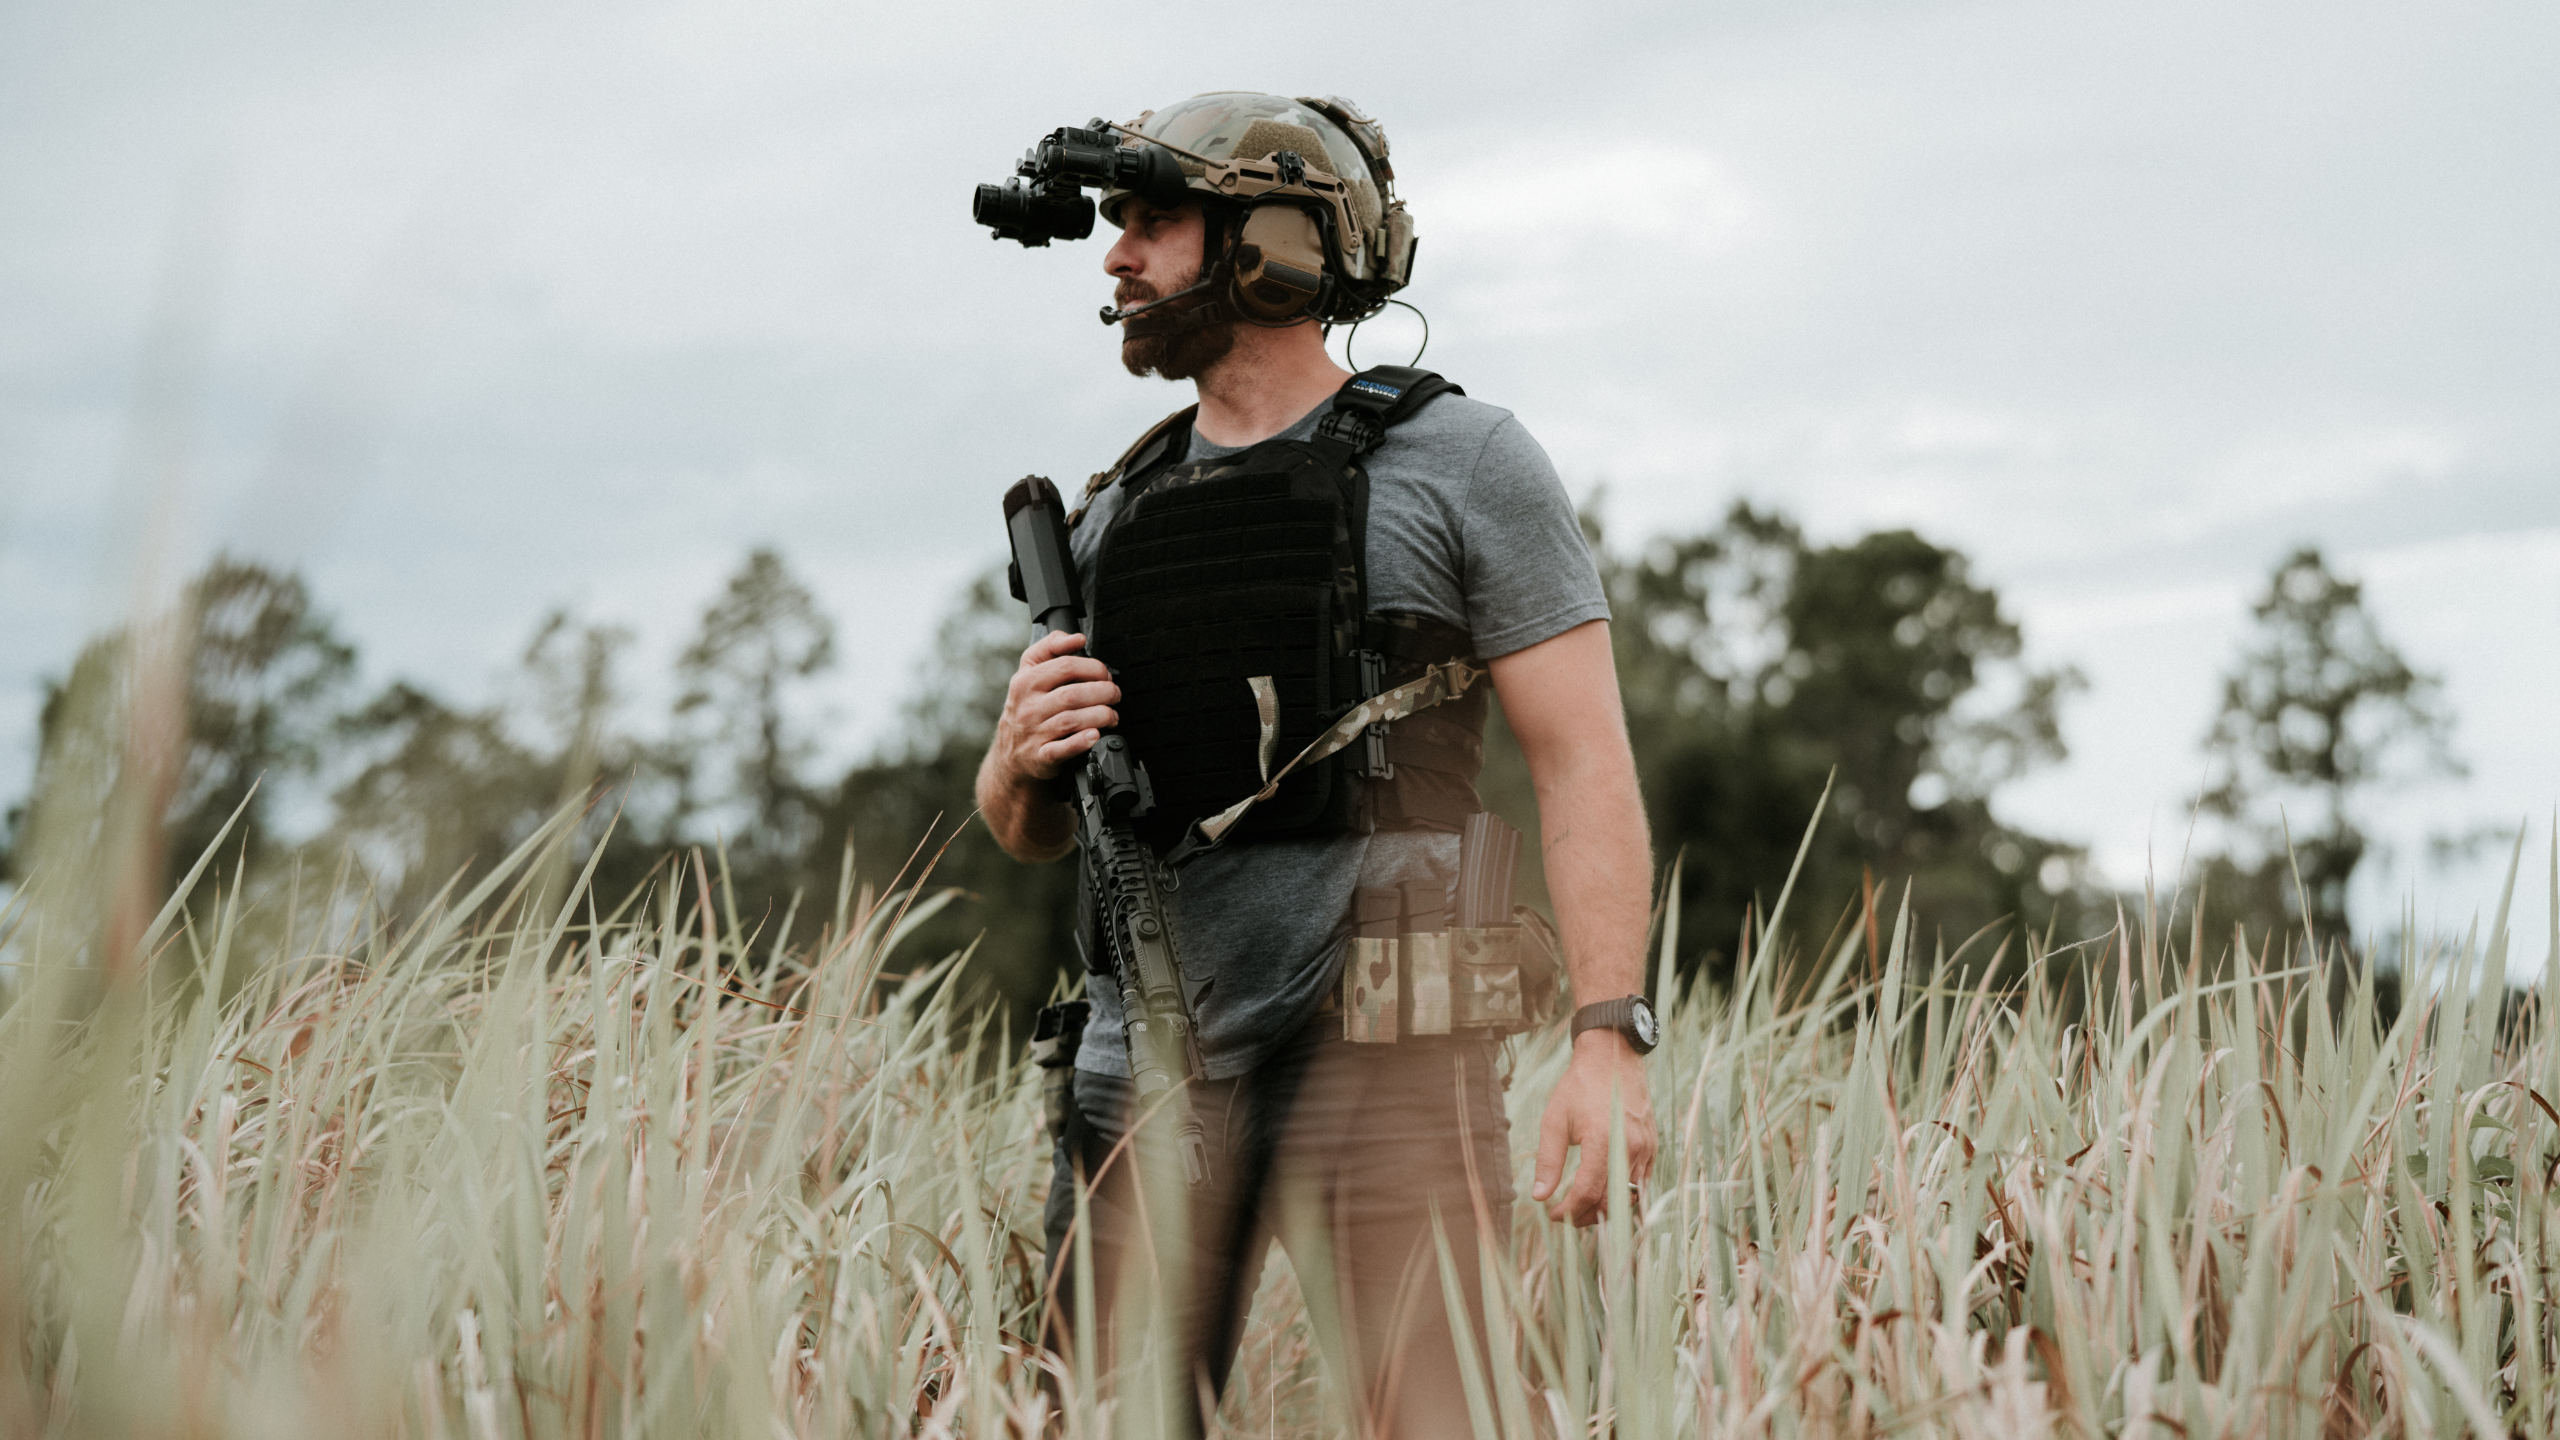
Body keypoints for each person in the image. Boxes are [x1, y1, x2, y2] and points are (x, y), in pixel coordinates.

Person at [973, 93, 1659, 1436]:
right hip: (1143, 1069)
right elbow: (1037, 835)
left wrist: (1608, 1035)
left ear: (1273, 245)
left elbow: (1583, 760)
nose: (1117, 259)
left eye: (1152, 223)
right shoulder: (1116, 512)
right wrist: (1017, 763)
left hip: (1386, 1061)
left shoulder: (1463, 463)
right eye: (1113, 225)